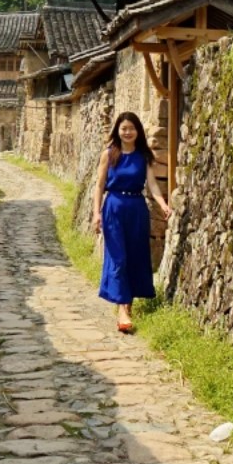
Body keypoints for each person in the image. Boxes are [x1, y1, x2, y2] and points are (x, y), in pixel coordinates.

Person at [92, 111, 169, 333]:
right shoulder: (109, 154)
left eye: (131, 128)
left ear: (138, 131)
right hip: (114, 208)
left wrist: (162, 204)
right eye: (123, 128)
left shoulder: (143, 156)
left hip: (137, 209)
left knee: (135, 255)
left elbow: (152, 184)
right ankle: (122, 309)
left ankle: (127, 303)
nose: (127, 132)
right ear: (117, 130)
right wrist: (96, 213)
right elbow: (99, 185)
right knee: (119, 256)